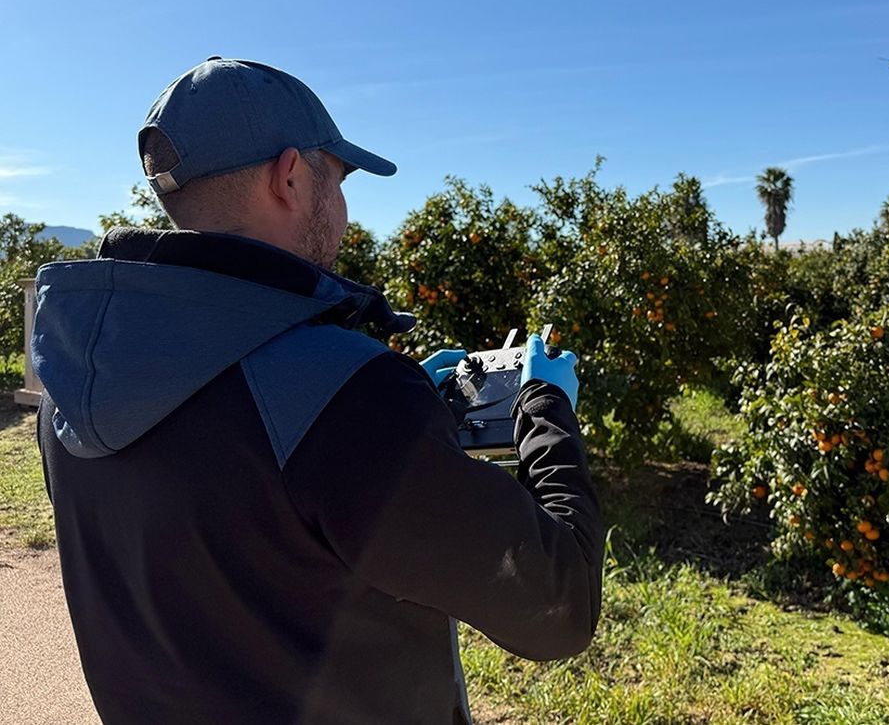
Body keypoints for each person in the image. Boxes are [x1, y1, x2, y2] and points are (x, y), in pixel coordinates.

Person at [31, 57, 602, 725]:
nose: (344, 209)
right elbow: (560, 606)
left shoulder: (72, 386)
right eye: (337, 179)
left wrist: (401, 405)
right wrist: (546, 405)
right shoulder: (346, 398)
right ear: (291, 174)